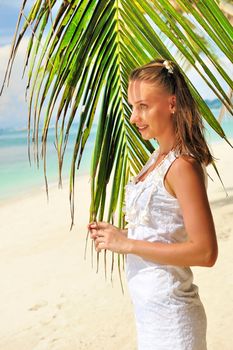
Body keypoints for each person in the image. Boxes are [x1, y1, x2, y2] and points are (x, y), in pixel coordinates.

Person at [87, 58, 218, 350]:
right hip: (151, 316)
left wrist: (128, 244)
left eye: (143, 106)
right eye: (133, 106)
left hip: (174, 320)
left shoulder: (183, 165)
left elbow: (206, 251)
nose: (134, 117)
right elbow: (161, 230)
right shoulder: (156, 158)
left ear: (172, 104)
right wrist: (120, 235)